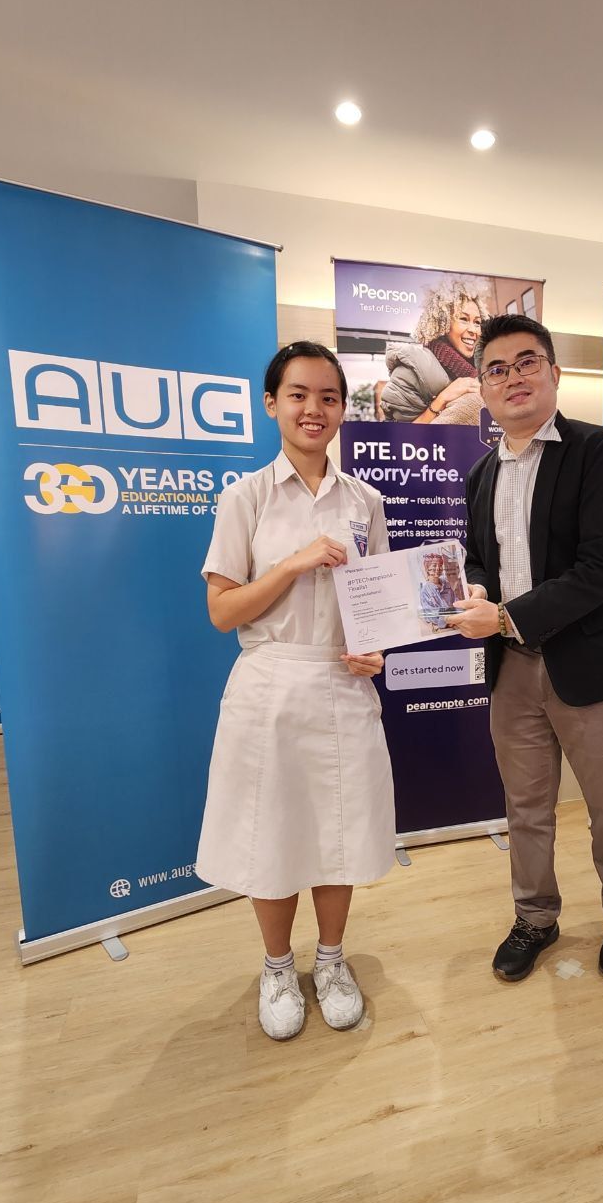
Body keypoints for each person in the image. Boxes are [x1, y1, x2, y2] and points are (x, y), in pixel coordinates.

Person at [195, 342, 395, 1041]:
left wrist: (373, 649)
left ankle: (332, 961)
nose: (315, 409)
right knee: (273, 834)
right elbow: (223, 612)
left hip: (342, 683)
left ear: (343, 408)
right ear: (271, 403)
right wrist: (292, 563)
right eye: (299, 394)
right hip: (270, 686)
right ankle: (278, 967)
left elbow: (375, 602)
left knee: (339, 832)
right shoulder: (245, 497)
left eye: (329, 397)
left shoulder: (365, 501)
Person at [446, 314, 603, 983]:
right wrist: (477, 589)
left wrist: (503, 617)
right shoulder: (481, 473)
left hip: (589, 666)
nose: (514, 378)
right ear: (482, 388)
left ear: (554, 372)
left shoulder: (600, 451)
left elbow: (601, 571)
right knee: (526, 808)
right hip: (512, 671)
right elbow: (480, 557)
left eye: (527, 362)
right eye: (497, 369)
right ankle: (535, 917)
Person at [380, 280, 489, 423]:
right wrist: (442, 399)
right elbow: (399, 435)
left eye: (477, 322)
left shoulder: (483, 368)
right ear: (442, 322)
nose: (473, 330)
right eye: (463, 319)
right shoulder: (411, 369)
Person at [418, 550, 456, 630]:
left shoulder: (446, 583)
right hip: (442, 628)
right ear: (427, 568)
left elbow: (455, 600)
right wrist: (446, 620)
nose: (438, 568)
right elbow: (429, 615)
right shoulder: (425, 591)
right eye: (434, 565)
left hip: (456, 621)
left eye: (440, 565)